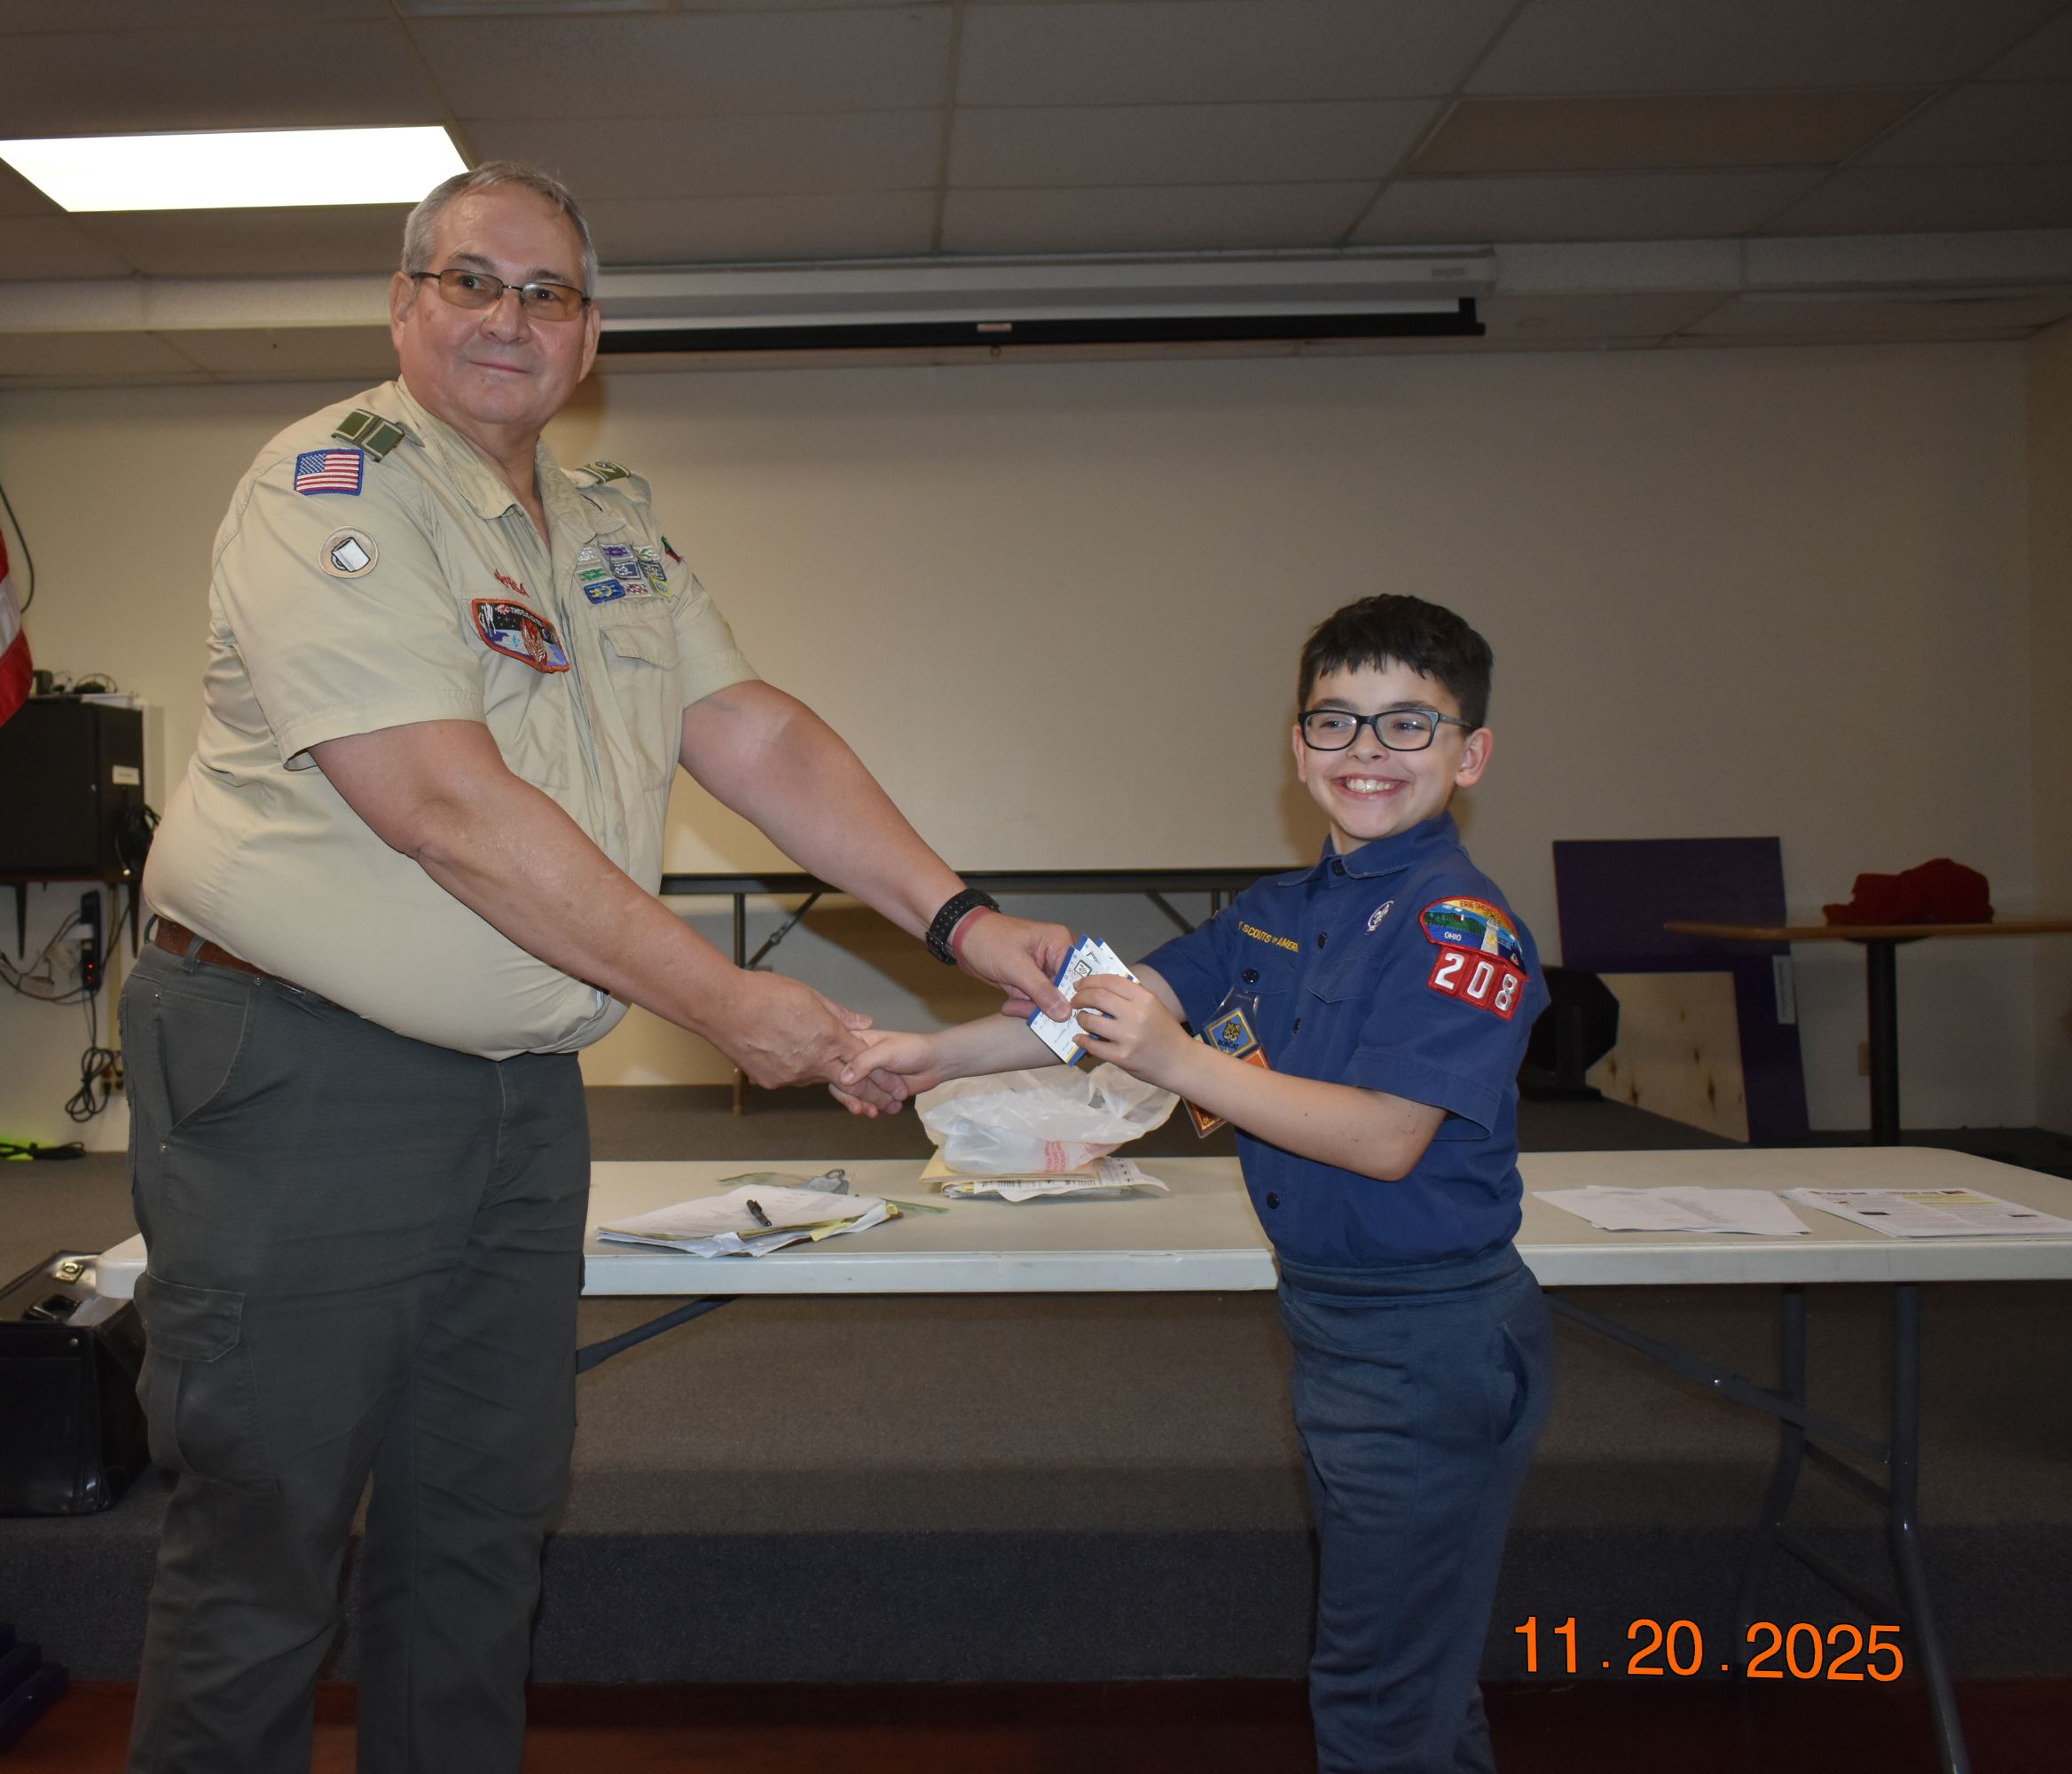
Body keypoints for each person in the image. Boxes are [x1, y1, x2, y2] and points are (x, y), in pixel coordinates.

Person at [121, 161, 1071, 1774]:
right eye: (470, 282)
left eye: (546, 293)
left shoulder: (610, 521)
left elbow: (750, 732)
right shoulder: (327, 490)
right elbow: (443, 805)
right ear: (404, 304)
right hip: (300, 1074)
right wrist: (725, 1001)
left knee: (481, 1528)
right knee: (265, 1534)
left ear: (589, 333)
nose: (509, 318)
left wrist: (965, 921)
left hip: (518, 1094)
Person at [848, 595, 1554, 1773]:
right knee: (1409, 1669)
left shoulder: (1462, 927)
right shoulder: (1280, 911)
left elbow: (1388, 1138)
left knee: (1381, 1690)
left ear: (1469, 754)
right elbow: (1108, 1008)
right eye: (1336, 721)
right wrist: (929, 1055)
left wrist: (1180, 1063)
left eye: (1407, 725)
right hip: (1336, 1319)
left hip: (1429, 1337)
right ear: (1298, 746)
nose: (1366, 752)